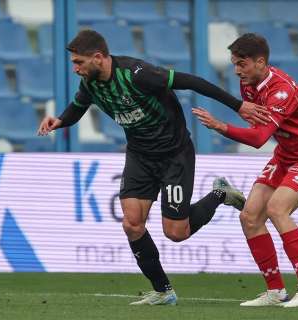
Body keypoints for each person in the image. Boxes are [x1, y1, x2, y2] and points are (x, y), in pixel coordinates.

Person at [37, 30, 269, 305]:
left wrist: (238, 106)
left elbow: (192, 81)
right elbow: (78, 107)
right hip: (139, 156)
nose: (75, 68)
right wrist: (60, 121)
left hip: (174, 154)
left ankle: (220, 194)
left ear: (98, 57)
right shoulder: (91, 84)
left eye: (79, 62)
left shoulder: (138, 74)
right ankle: (163, 290)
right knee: (132, 224)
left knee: (176, 233)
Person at [192, 33, 298, 308]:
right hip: (285, 155)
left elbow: (258, 139)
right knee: (249, 216)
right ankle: (275, 291)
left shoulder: (282, 90)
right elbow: (259, 128)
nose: (236, 70)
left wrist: (221, 126)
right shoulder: (249, 85)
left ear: (260, 62)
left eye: (242, 64)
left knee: (277, 208)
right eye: (234, 64)